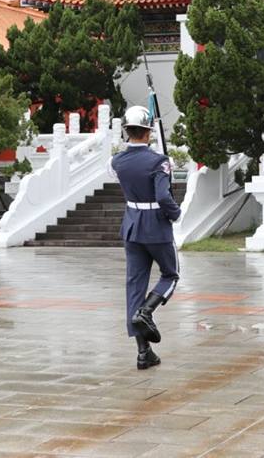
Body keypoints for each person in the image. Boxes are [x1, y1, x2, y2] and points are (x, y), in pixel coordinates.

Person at [110, 106, 182, 370]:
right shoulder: (158, 161)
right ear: (148, 132)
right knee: (170, 275)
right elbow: (163, 196)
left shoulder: (116, 161)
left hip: (131, 225)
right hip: (156, 226)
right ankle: (147, 311)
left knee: (134, 287)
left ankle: (143, 352)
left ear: (127, 131)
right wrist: (175, 213)